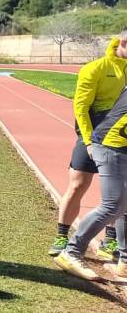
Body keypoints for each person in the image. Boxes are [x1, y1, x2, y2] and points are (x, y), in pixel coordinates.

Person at [49, 34, 127, 260]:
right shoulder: (95, 68)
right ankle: (62, 235)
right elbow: (81, 107)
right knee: (78, 185)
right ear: (123, 42)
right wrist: (88, 140)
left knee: (120, 191)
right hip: (94, 131)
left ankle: (110, 240)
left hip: (120, 135)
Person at [55, 80, 127, 281]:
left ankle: (124, 263)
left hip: (120, 145)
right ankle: (71, 252)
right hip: (111, 146)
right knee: (113, 205)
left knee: (124, 205)